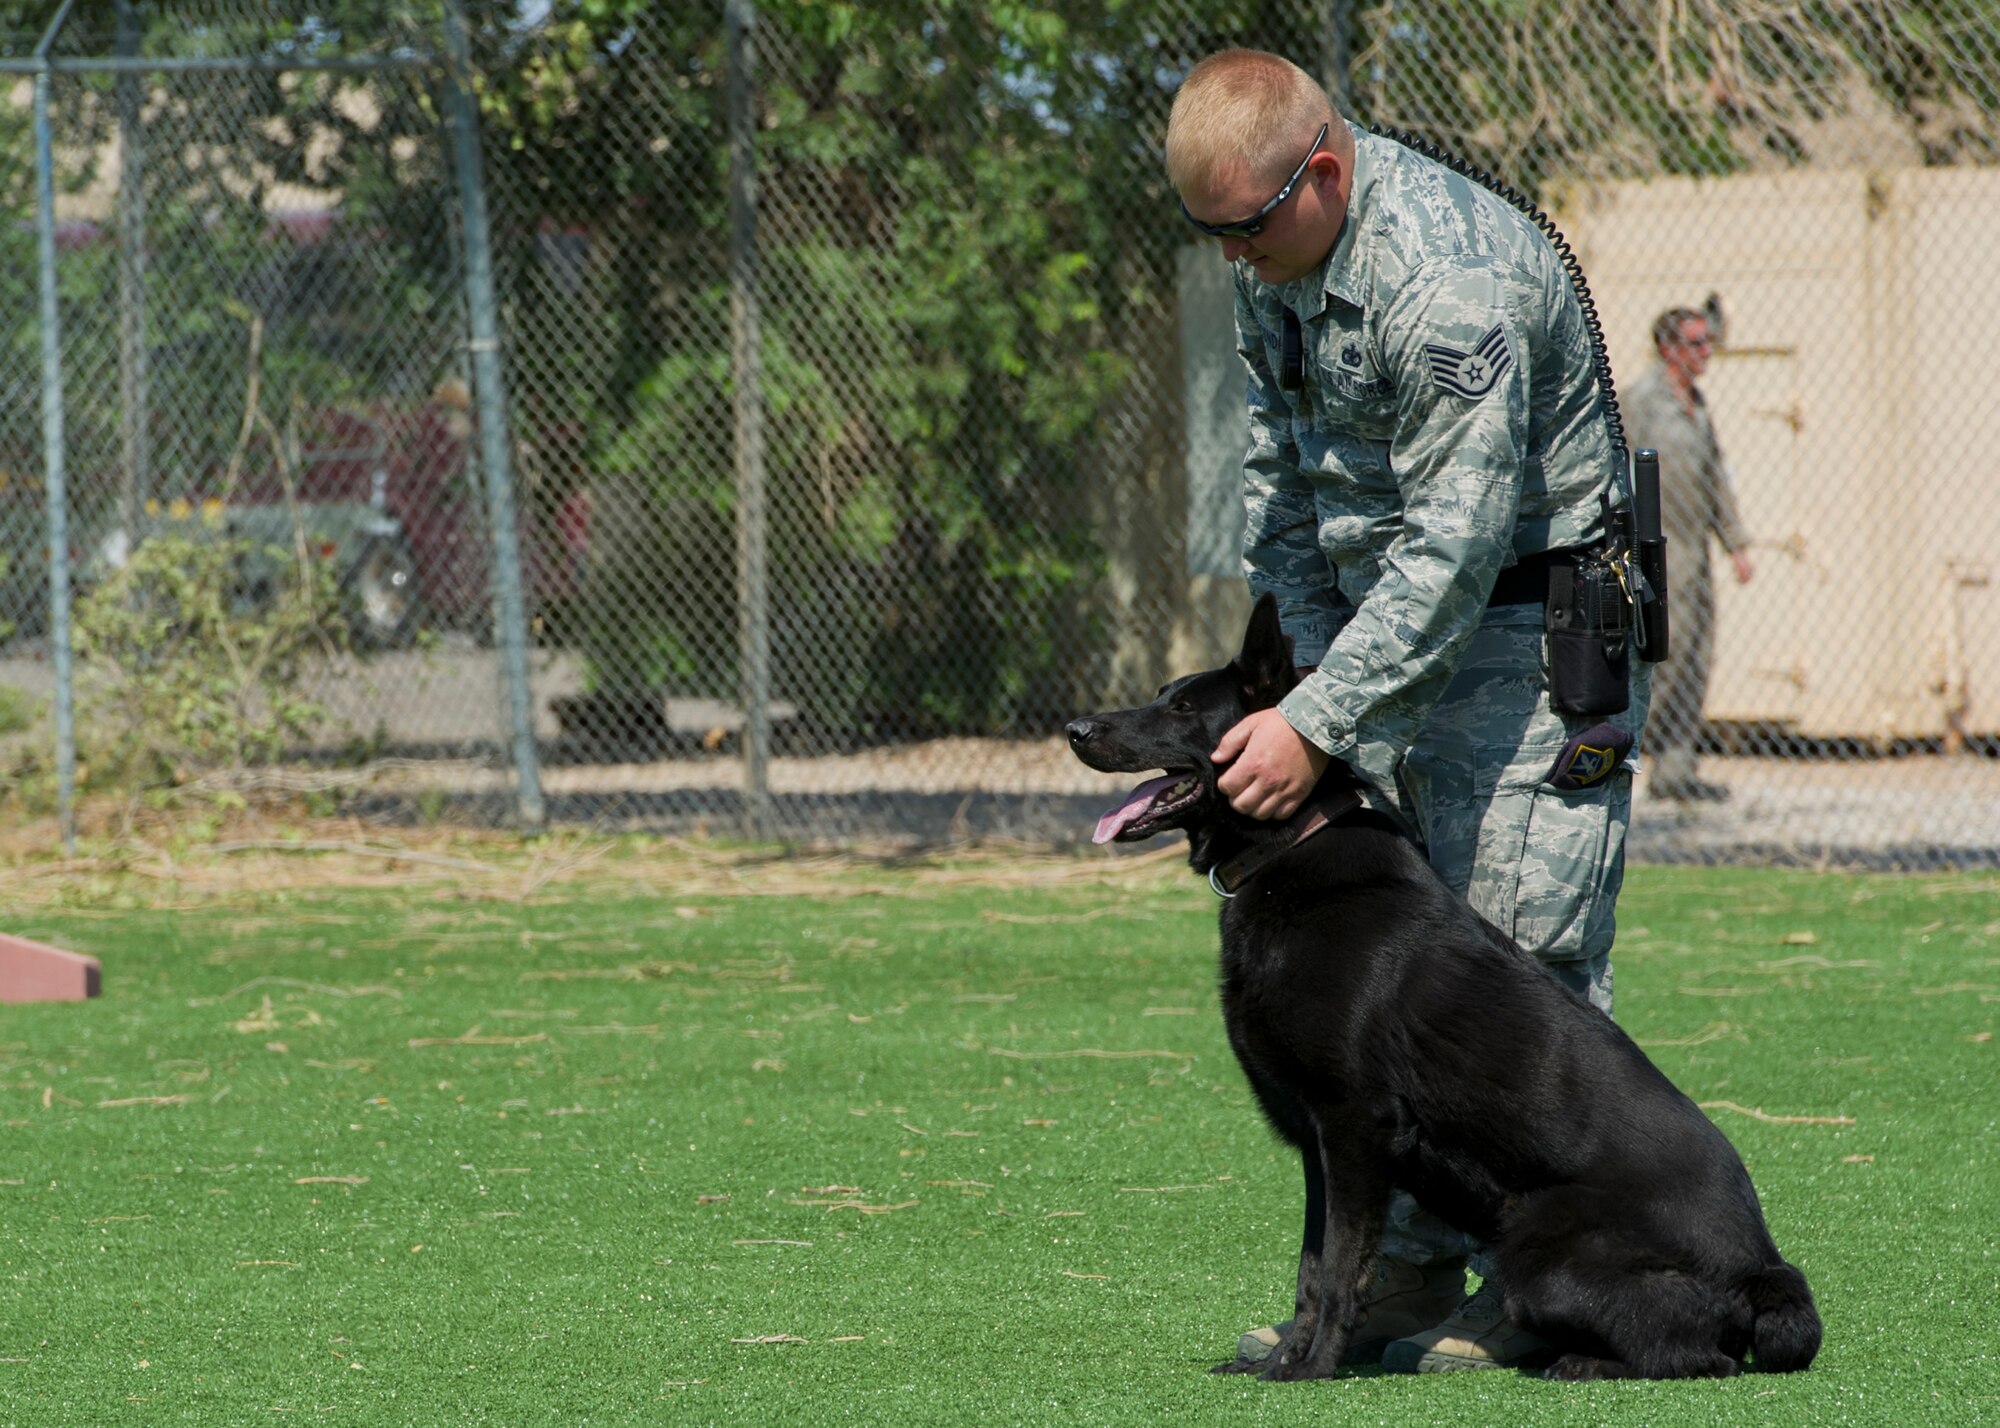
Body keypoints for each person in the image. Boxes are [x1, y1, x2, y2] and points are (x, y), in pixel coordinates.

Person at [1164, 49, 1649, 1373]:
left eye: (1244, 231)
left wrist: (1318, 724)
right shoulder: (1287, 258)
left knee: (1518, 970)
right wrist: (1318, 687)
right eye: (1207, 235)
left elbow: (1453, 545)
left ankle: (1545, 1280)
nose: (1231, 263)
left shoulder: (1449, 284)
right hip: (1386, 643)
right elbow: (1281, 493)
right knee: (1393, 994)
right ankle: (1394, 1285)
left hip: (1524, 633)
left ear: (1319, 173)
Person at [1624, 306, 1754, 802]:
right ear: (1669, 348)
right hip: (1658, 551)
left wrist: (1736, 543)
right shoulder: (1641, 401)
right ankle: (1624, 753)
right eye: (1696, 343)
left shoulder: (1696, 403)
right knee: (1667, 658)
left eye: (1708, 342)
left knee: (1698, 657)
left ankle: (1676, 772)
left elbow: (1715, 476)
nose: (1707, 352)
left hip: (1695, 552)